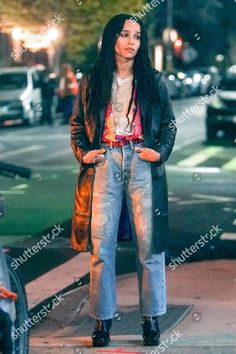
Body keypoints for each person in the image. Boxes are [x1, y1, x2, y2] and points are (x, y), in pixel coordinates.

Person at [70, 13, 177, 348]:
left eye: (137, 36)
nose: (132, 42)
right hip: (105, 161)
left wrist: (158, 152)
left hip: (141, 161)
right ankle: (102, 323)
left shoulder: (153, 80)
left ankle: (151, 319)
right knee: (101, 247)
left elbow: (170, 124)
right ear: (111, 39)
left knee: (149, 247)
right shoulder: (92, 80)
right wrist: (84, 153)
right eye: (125, 35)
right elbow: (76, 126)